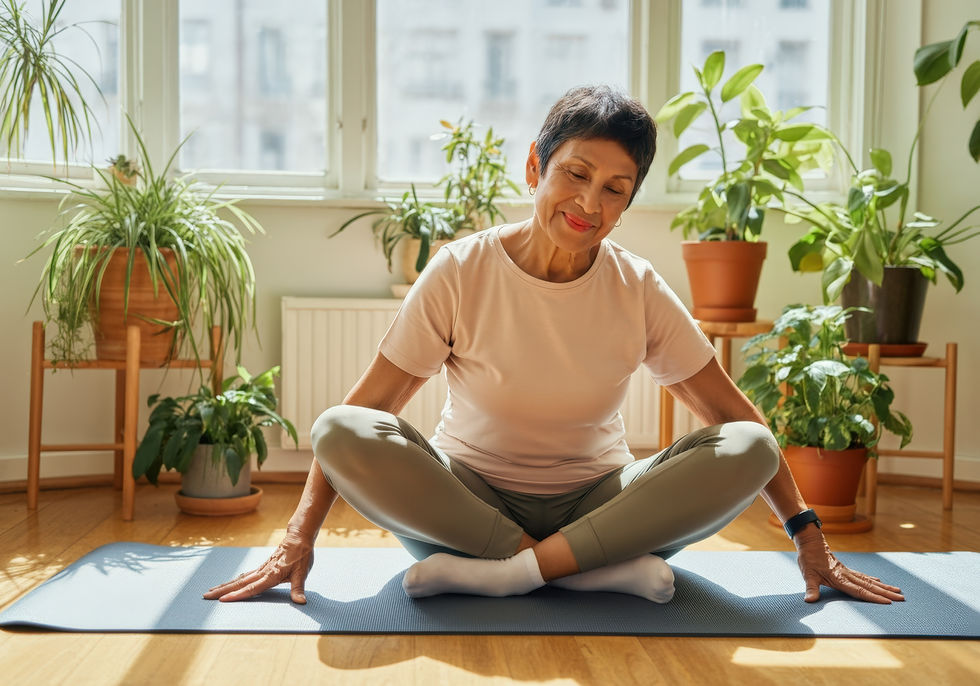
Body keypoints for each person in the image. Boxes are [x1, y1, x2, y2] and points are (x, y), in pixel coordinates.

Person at [204, 86, 904, 607]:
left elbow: (738, 419)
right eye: (576, 174)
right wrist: (297, 537)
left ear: (627, 202)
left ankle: (513, 575)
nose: (590, 204)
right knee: (339, 428)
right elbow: (365, 413)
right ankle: (584, 571)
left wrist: (809, 537)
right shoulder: (460, 269)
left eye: (614, 189)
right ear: (535, 167)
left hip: (601, 503)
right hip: (468, 506)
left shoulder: (637, 286)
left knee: (750, 445)